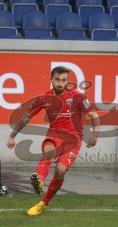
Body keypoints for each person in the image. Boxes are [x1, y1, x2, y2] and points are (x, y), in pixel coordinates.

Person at [7, 66, 100, 216]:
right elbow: (26, 117)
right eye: (57, 79)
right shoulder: (44, 98)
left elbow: (94, 115)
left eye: (63, 80)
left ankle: (43, 203)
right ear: (51, 80)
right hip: (54, 134)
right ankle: (39, 180)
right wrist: (12, 136)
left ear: (67, 81)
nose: (60, 83)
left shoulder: (78, 96)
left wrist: (95, 135)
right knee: (49, 152)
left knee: (60, 171)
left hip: (73, 139)